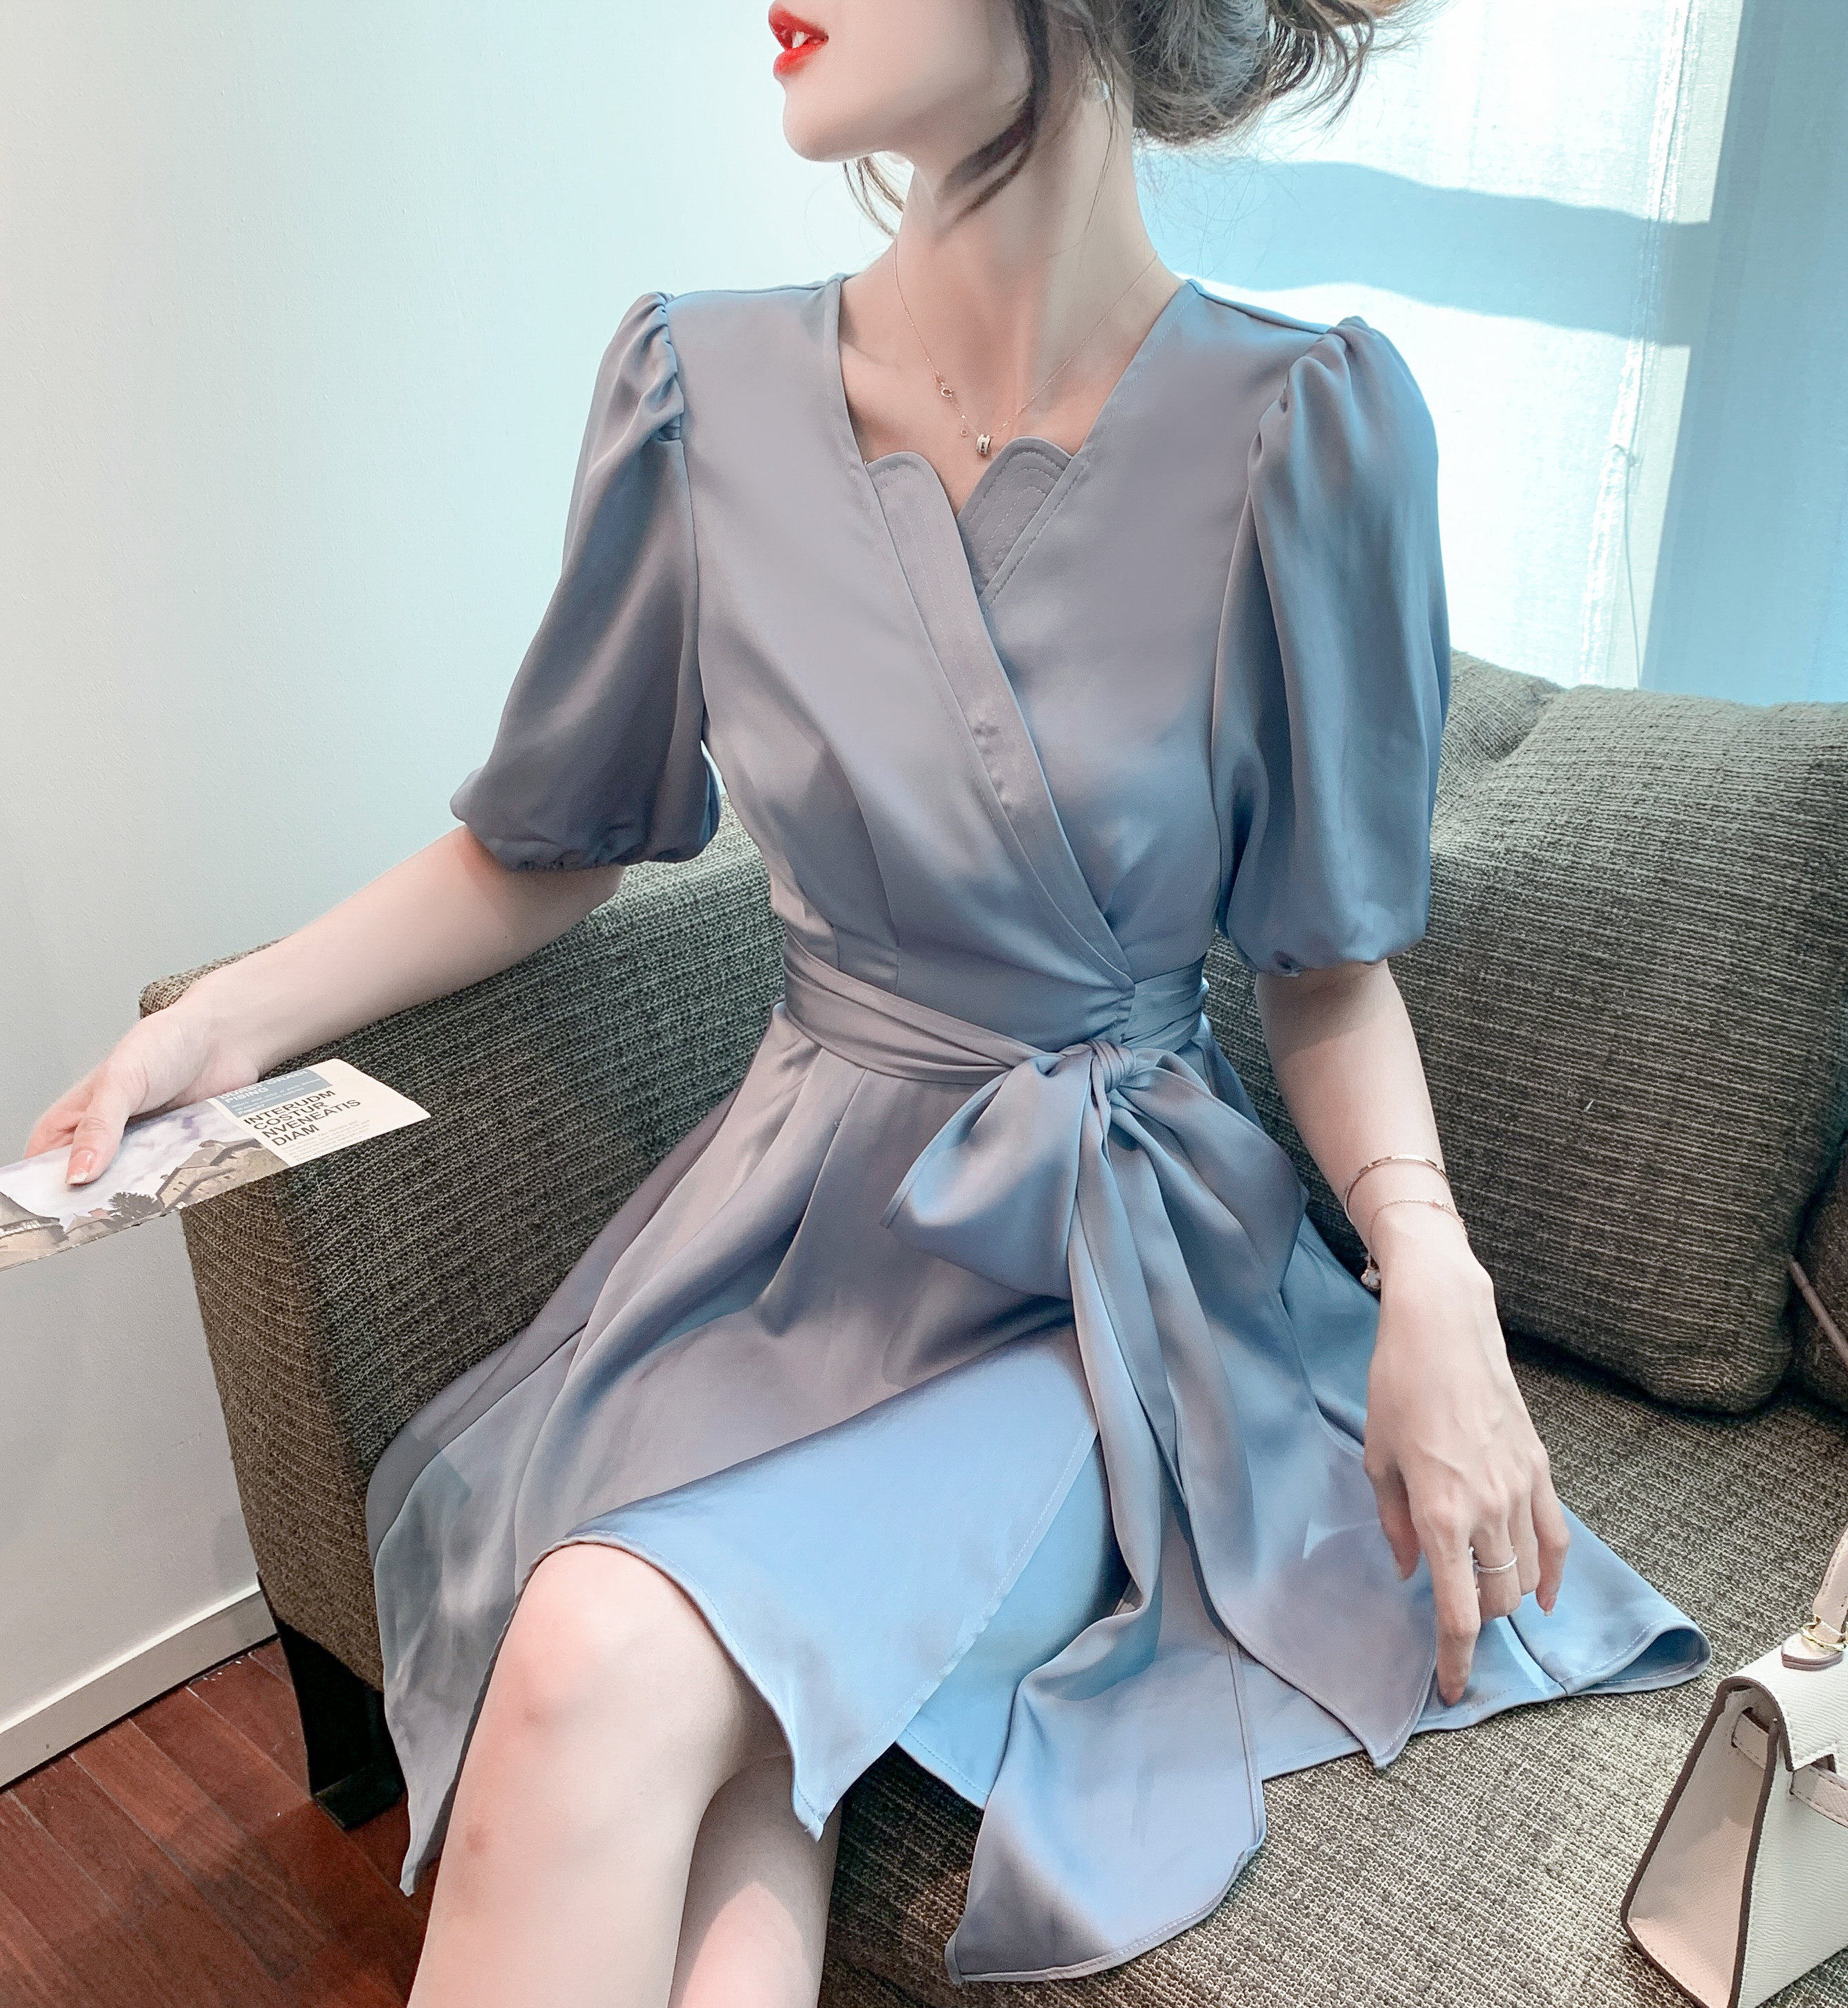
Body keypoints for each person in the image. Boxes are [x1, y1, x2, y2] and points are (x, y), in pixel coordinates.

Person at [28, 3, 1708, 2002]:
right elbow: (547, 841)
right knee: (729, 1757)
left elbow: (1326, 967)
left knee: (591, 1654)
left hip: (1096, 1285)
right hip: (785, 1250)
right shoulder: (698, 392)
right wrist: (227, 1018)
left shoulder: (1305, 428)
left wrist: (1434, 1274)